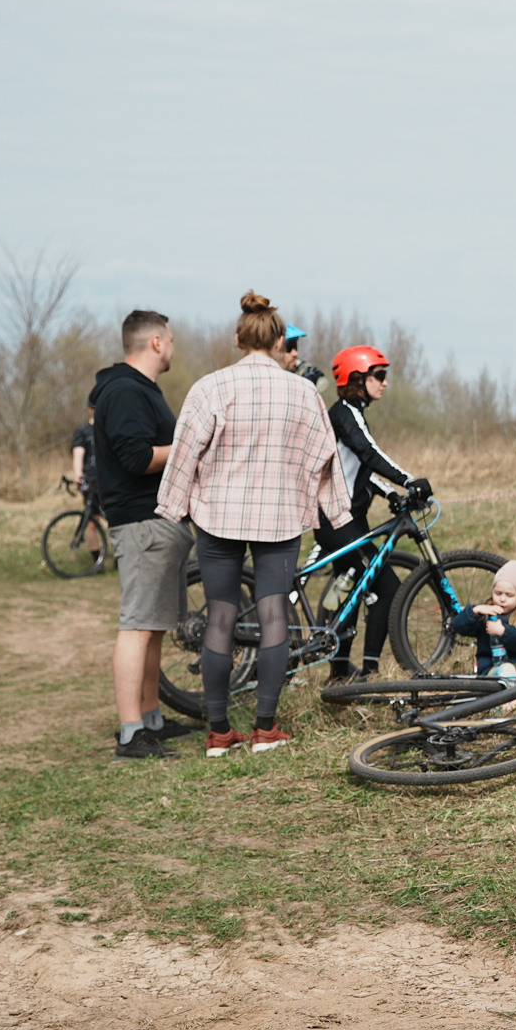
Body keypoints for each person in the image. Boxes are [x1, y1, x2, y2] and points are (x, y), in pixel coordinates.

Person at [158, 292, 351, 756]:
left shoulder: (210, 387)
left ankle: (219, 733)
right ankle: (266, 729)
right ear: (280, 341)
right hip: (280, 518)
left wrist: (172, 505)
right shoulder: (304, 392)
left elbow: (185, 452)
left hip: (217, 517)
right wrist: (337, 511)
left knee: (221, 615)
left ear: (237, 338)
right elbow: (325, 456)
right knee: (274, 616)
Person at [93, 309, 193, 760]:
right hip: (142, 524)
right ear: (155, 342)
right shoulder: (125, 391)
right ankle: (131, 732)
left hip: (156, 523)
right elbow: (136, 458)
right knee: (136, 627)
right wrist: (190, 446)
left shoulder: (139, 389)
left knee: (153, 628)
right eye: (170, 339)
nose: (173, 346)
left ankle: (151, 718)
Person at [320, 344, 430, 682]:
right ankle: (369, 671)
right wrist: (408, 480)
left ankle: (339, 672)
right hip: (340, 521)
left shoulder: (349, 412)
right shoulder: (346, 413)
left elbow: (358, 468)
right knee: (389, 588)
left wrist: (390, 493)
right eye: (379, 376)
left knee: (350, 590)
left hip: (345, 519)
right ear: (357, 378)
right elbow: (369, 452)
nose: (385, 382)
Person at [446, 559, 516, 680]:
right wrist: (475, 611)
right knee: (507, 670)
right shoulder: (485, 615)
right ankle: (507, 692)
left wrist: (503, 631)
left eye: (509, 595)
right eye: (498, 593)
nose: (502, 599)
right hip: (492, 670)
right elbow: (457, 625)